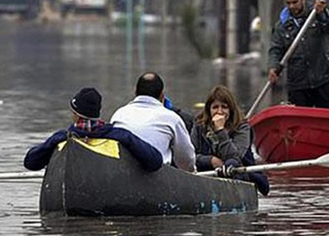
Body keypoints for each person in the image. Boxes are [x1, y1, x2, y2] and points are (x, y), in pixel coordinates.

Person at [24, 87, 163, 172]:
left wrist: (51, 143)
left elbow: (30, 163)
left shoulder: (61, 137)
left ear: (76, 115)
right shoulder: (120, 135)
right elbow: (155, 162)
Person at [268, 0, 329, 109]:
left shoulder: (316, 14)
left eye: (295, 2)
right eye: (288, 3)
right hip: (298, 83)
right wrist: (273, 66)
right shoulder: (281, 26)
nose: (292, 6)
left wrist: (322, 14)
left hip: (323, 77)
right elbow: (276, 49)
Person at [190, 85, 269, 195]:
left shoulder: (242, 127)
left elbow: (234, 156)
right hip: (207, 174)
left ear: (230, 109)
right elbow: (190, 155)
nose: (220, 111)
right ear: (209, 110)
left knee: (232, 162)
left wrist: (220, 130)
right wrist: (211, 160)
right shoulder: (199, 126)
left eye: (224, 107)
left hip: (237, 173)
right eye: (215, 107)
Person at [110, 72, 196, 172]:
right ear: (162, 95)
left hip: (122, 173)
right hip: (158, 178)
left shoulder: (119, 114)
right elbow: (186, 159)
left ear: (135, 92)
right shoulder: (172, 118)